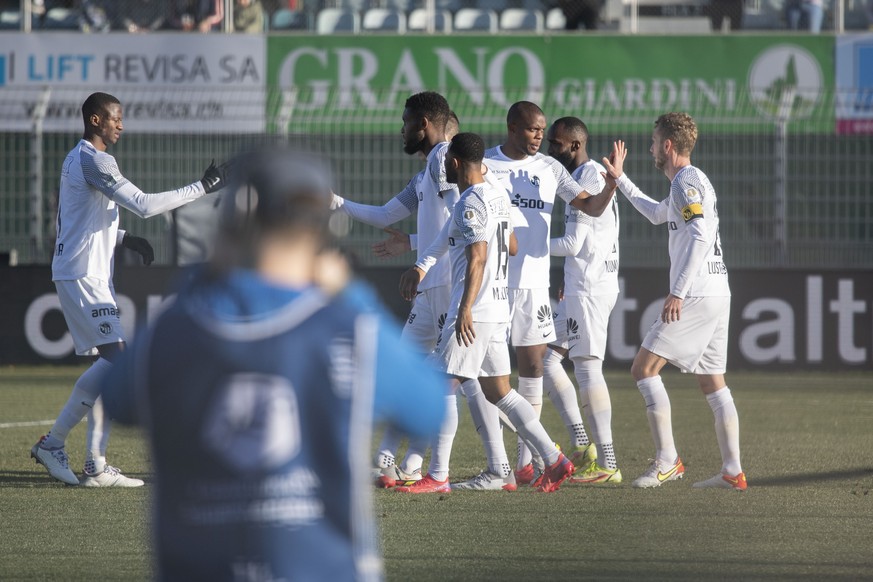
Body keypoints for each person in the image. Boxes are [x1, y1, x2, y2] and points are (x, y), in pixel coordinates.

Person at [99, 146, 447, 580]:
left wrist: (202, 278)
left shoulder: (178, 327)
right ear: (325, 227)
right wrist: (350, 297)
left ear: (235, 216)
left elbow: (116, 397)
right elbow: (428, 407)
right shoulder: (346, 326)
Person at [29, 92, 227, 487]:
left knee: (108, 366)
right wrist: (202, 188)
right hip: (84, 274)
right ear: (95, 120)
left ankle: (83, 458)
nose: (121, 124)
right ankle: (75, 455)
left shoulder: (76, 158)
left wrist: (123, 237)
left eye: (121, 118)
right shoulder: (94, 159)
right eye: (114, 118)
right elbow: (143, 203)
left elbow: (79, 217)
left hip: (85, 273)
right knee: (117, 364)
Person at [397, 132, 575, 494]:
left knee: (438, 382)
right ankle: (554, 460)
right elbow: (508, 245)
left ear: (456, 163)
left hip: (475, 311)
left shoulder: (471, 202)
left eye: (446, 161)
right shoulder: (494, 196)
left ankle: (437, 475)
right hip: (498, 308)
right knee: (500, 392)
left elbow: (477, 257)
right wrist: (420, 268)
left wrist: (464, 309)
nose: (442, 166)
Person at [602, 112, 747, 491]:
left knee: (643, 369)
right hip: (718, 290)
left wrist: (678, 291)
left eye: (653, 142)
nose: (651, 148)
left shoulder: (686, 181)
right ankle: (732, 471)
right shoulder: (688, 184)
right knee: (713, 382)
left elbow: (699, 234)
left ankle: (668, 460)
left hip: (697, 292)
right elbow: (656, 214)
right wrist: (621, 181)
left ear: (667, 145)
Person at [331, 93, 465, 489]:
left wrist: (422, 262)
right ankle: (392, 462)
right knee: (412, 372)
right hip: (431, 285)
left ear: (423, 122)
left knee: (457, 382)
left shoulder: (443, 158)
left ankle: (433, 470)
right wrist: (337, 202)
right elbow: (387, 214)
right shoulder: (427, 170)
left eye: (405, 121)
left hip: (445, 282)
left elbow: (461, 214)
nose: (401, 129)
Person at [482, 101, 617, 485]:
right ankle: (501, 463)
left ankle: (525, 465)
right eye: (532, 130)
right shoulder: (488, 165)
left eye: (542, 130)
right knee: (484, 375)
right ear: (511, 128)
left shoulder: (551, 168)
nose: (539, 136)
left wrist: (610, 185)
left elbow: (589, 207)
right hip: (494, 283)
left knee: (532, 372)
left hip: (534, 288)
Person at [545, 117, 623, 484]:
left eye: (556, 144)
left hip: (590, 288)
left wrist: (524, 249)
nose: (549, 149)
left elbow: (573, 245)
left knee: (588, 368)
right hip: (580, 283)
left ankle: (608, 462)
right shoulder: (580, 179)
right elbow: (582, 244)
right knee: (548, 362)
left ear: (575, 146)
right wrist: (565, 274)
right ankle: (581, 442)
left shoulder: (588, 179)